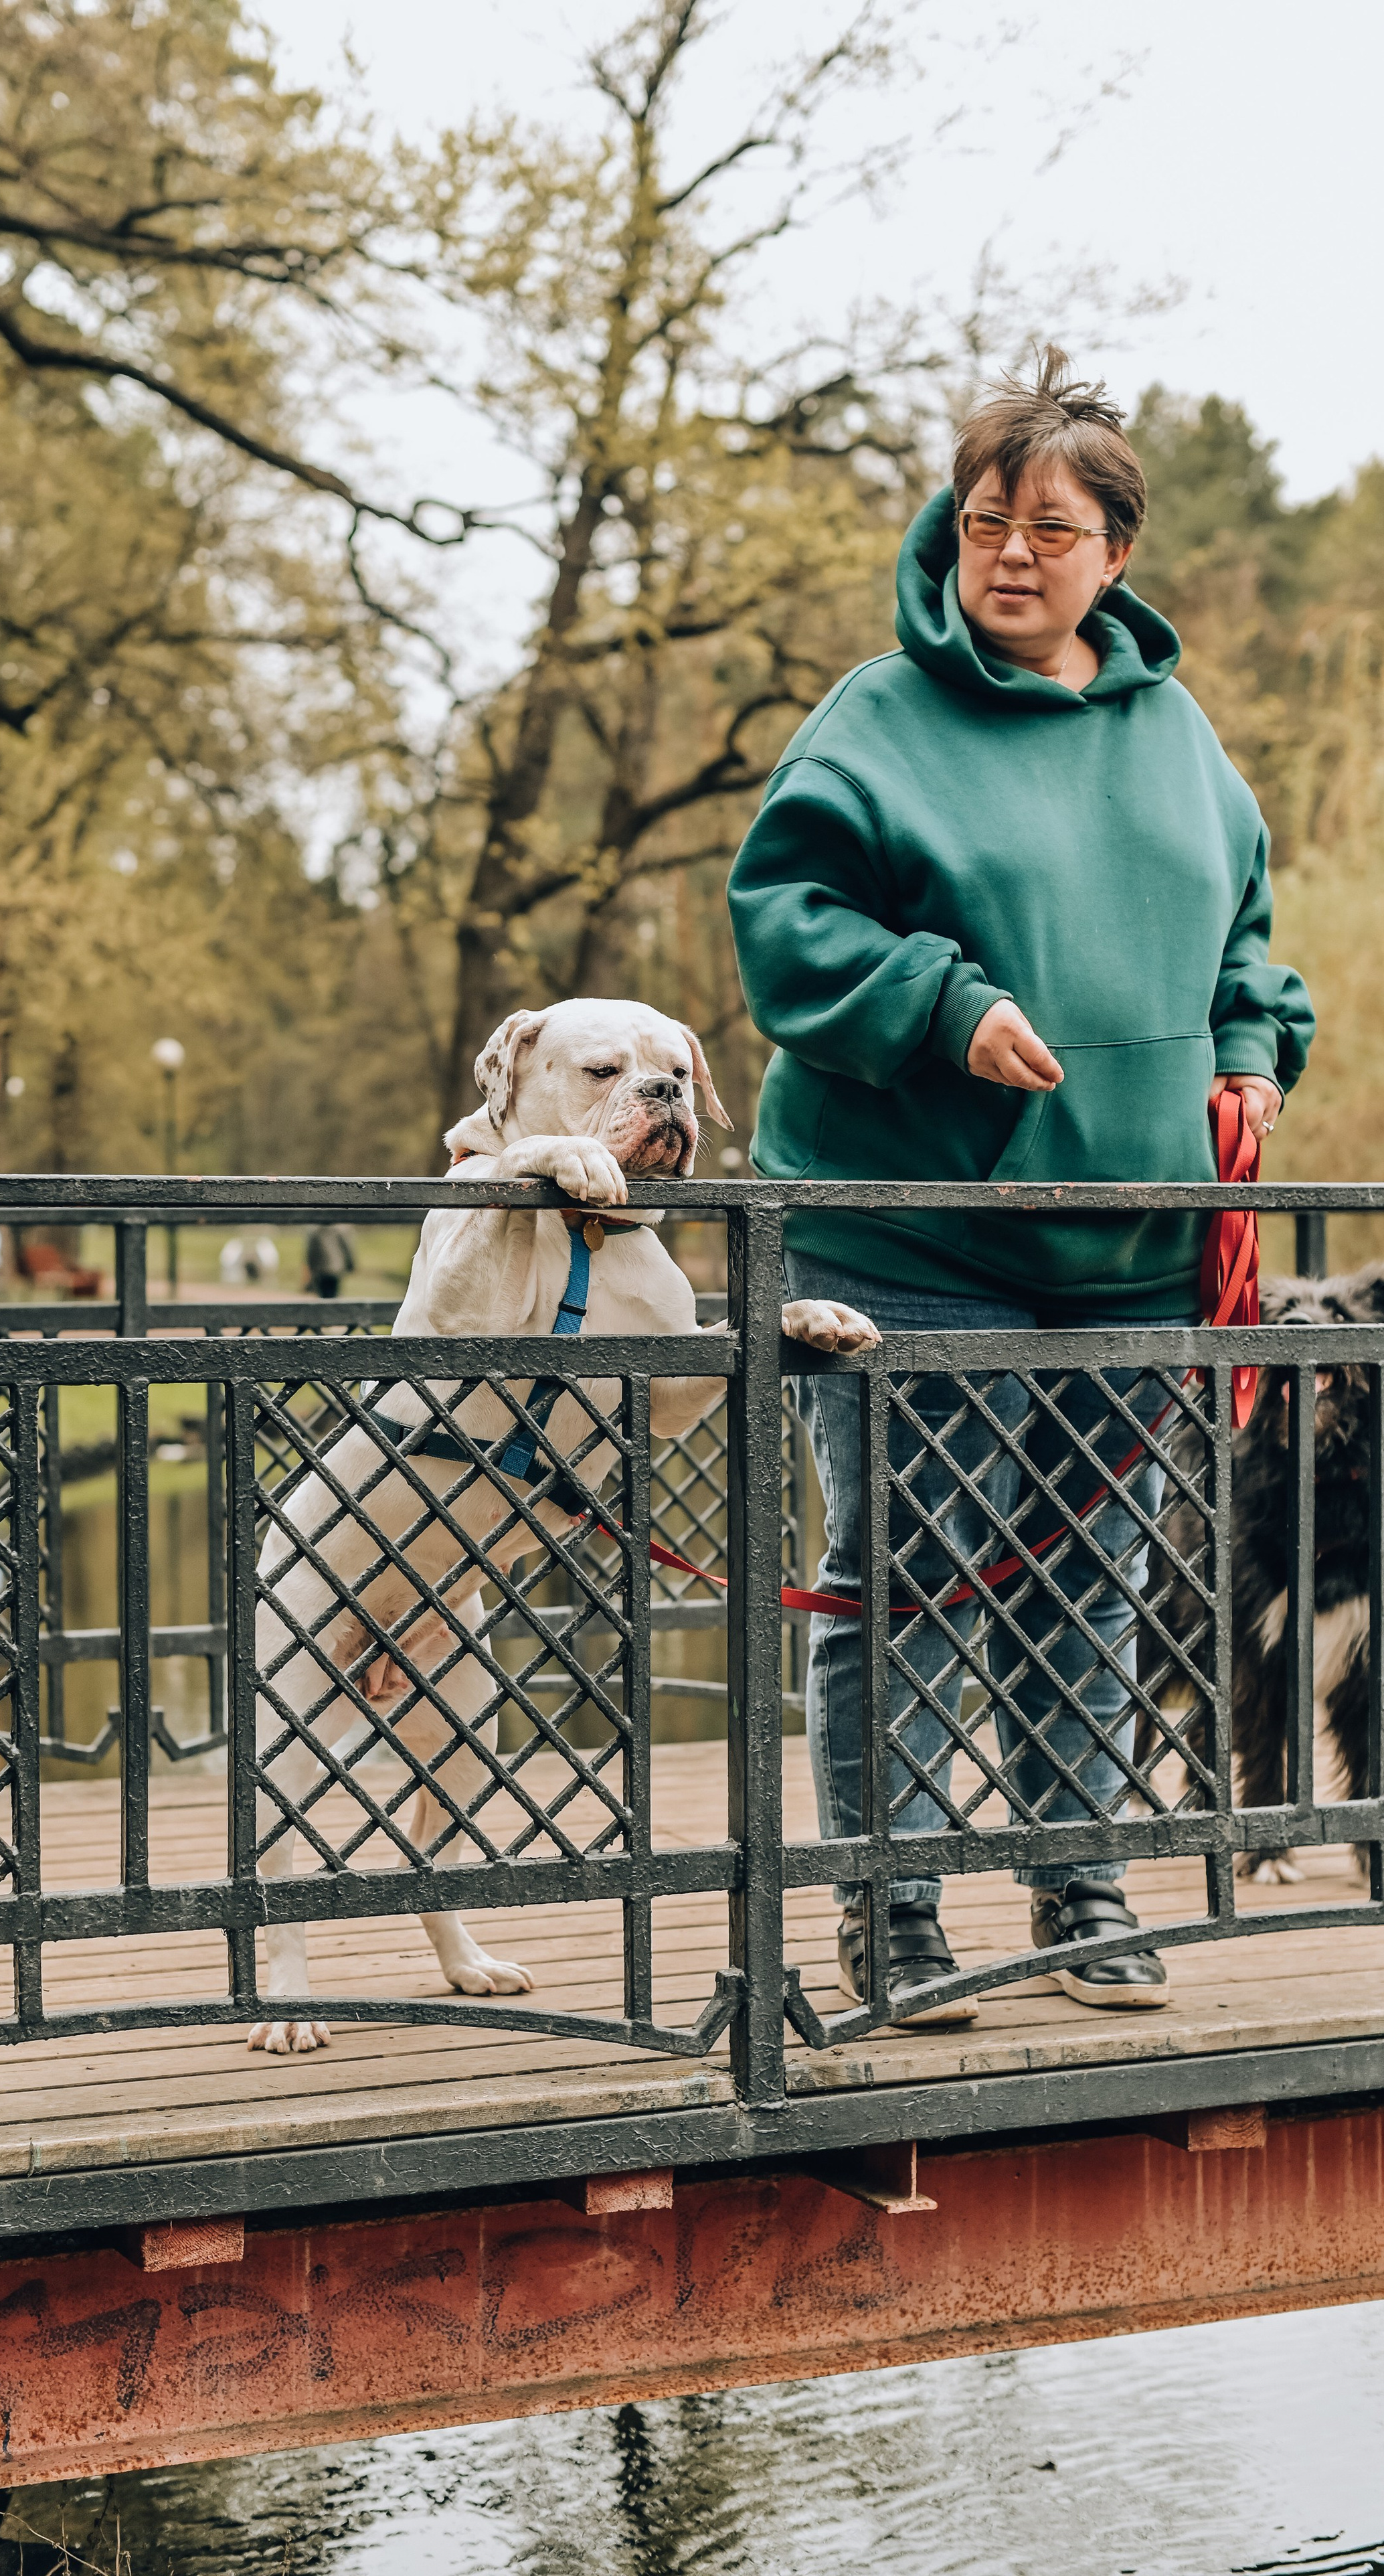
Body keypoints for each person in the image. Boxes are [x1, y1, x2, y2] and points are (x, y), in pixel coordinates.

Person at [727, 349, 1314, 2027]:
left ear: (1112, 554)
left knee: (1088, 1584)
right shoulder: (876, 718)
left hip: (1126, 1247)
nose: (1010, 553)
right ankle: (894, 1907)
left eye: (1051, 529)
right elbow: (786, 924)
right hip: (907, 1238)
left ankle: (1077, 1887)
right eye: (985, 520)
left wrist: (1246, 1053)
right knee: (909, 1580)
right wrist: (942, 1006)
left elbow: (1242, 943)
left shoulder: (1174, 735)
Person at [305, 1224, 355, 1299]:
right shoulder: (339, 1231)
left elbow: (311, 1252)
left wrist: (311, 1267)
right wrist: (350, 1264)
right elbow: (346, 1249)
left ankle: (327, 1305)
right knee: (333, 1293)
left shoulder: (316, 1232)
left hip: (321, 1269)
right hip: (336, 1268)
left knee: (324, 1295)